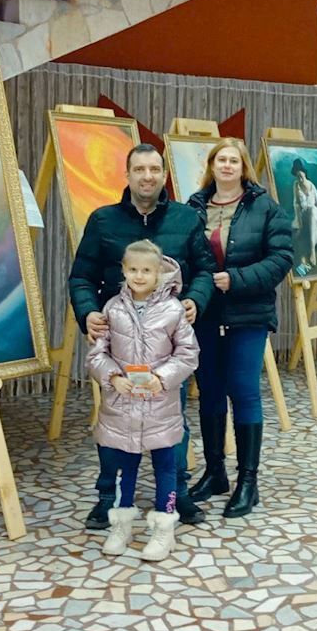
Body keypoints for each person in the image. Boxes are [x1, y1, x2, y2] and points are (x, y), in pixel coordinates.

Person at [69, 143, 216, 529]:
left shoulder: (187, 219)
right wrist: (88, 313)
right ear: (127, 175)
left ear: (164, 175)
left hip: (165, 347)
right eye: (139, 169)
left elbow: (205, 269)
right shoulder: (102, 221)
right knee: (113, 426)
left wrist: (196, 300)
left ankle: (177, 493)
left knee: (173, 422)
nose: (147, 176)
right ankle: (107, 499)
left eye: (154, 169)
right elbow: (81, 276)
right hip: (117, 344)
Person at [185, 139, 291, 518]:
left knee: (244, 391)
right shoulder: (194, 207)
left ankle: (248, 482)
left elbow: (281, 258)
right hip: (206, 313)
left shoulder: (266, 208)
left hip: (249, 313)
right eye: (221, 160)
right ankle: (215, 473)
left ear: (244, 167)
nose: (227, 166)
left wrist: (237, 279)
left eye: (234, 160)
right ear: (212, 166)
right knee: (210, 390)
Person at [87, 240, 199, 561]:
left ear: (159, 273)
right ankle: (121, 524)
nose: (139, 276)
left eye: (147, 270)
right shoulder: (112, 309)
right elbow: (97, 354)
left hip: (160, 405)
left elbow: (188, 354)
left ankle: (164, 528)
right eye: (133, 269)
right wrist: (113, 378)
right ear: (123, 270)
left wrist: (161, 378)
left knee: (166, 465)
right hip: (122, 405)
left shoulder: (173, 310)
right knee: (126, 466)